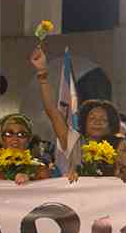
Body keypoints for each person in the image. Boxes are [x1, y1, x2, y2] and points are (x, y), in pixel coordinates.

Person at [31, 45, 120, 175]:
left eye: (103, 119)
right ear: (83, 122)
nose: (97, 122)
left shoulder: (119, 147)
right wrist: (42, 74)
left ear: (111, 125)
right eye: (92, 118)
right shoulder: (72, 141)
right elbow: (52, 110)